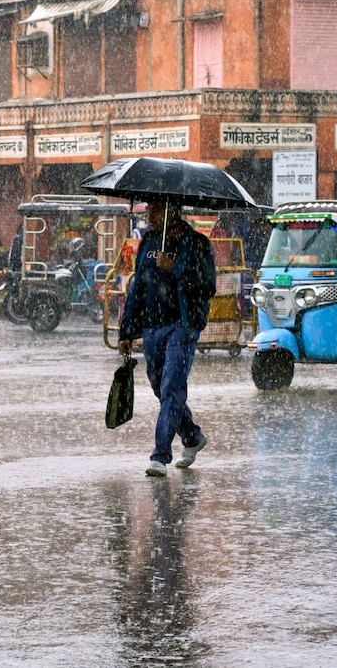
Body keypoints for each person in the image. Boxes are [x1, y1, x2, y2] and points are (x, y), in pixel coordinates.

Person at [117, 198, 216, 477]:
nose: (150, 214)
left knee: (172, 386)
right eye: (149, 209)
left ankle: (160, 455)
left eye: (156, 209)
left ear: (173, 210)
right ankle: (192, 436)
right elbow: (138, 287)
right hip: (151, 326)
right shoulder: (148, 241)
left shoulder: (197, 243)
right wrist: (127, 330)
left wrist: (175, 267)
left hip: (182, 325)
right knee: (160, 386)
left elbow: (208, 286)